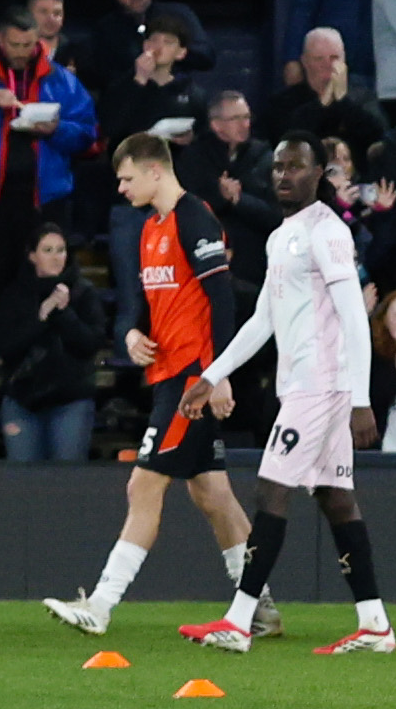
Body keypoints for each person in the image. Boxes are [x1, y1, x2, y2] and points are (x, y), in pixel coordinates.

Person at [42, 128, 251, 638]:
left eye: (127, 177)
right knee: (212, 495)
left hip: (190, 380)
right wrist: (135, 332)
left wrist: (216, 374)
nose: (121, 188)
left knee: (143, 484)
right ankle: (257, 605)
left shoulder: (194, 218)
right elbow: (144, 298)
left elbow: (222, 300)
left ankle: (102, 603)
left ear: (155, 170)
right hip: (169, 374)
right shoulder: (150, 228)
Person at [200, 131, 393, 659]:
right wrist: (213, 373)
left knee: (271, 490)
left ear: (321, 174)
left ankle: (239, 621)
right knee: (335, 499)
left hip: (322, 387)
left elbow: (355, 314)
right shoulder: (282, 235)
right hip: (309, 386)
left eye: (296, 167)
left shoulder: (328, 234)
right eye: (279, 166)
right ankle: (374, 623)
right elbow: (264, 317)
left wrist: (360, 397)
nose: (284, 175)